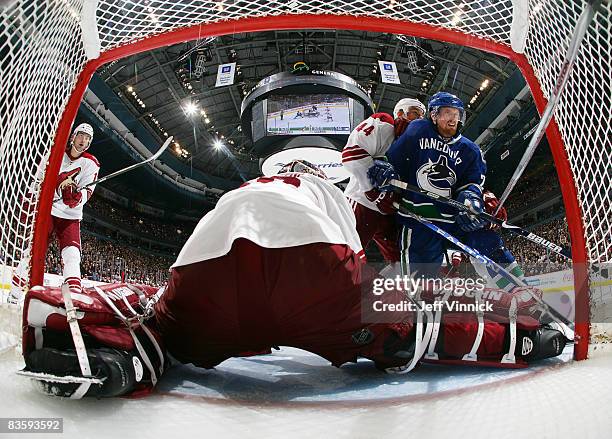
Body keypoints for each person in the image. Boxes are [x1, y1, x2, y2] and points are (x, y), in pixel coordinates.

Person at [368, 92, 487, 277]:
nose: (453, 118)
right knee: (421, 276)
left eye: (457, 114)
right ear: (434, 114)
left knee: (488, 239)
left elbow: (472, 183)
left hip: (452, 218)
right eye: (448, 112)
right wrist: (386, 170)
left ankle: (517, 290)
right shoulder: (418, 130)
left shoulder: (471, 149)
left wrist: (471, 198)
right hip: (417, 217)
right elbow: (396, 161)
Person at [9, 123, 100, 304]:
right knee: (33, 252)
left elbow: (88, 191)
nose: (84, 140)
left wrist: (76, 197)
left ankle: (74, 294)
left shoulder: (91, 163)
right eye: (81, 135)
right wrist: (29, 201)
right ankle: (14, 294)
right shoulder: (54, 154)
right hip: (48, 213)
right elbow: (38, 180)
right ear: (73, 137)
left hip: (71, 217)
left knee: (72, 253)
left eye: (88, 138)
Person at [342, 98, 425, 263]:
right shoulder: (384, 124)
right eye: (416, 114)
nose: (419, 121)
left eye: (422, 117)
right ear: (401, 113)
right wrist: (372, 192)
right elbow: (351, 154)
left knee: (402, 260)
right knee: (348, 254)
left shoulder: (418, 146)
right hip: (363, 203)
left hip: (391, 210)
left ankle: (404, 288)